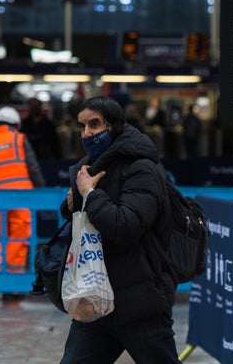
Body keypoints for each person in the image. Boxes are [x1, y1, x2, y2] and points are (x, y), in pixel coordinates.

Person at [59, 96, 179, 363]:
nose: (87, 133)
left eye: (95, 124)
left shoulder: (142, 169)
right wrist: (71, 204)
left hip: (140, 303)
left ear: (113, 126)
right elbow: (89, 221)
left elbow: (125, 226)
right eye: (82, 126)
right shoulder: (90, 167)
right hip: (96, 300)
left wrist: (89, 194)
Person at [0, 106, 45, 277]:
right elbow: (33, 168)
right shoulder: (18, 139)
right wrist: (43, 195)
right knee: (18, 238)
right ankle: (12, 283)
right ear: (16, 124)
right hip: (21, 199)